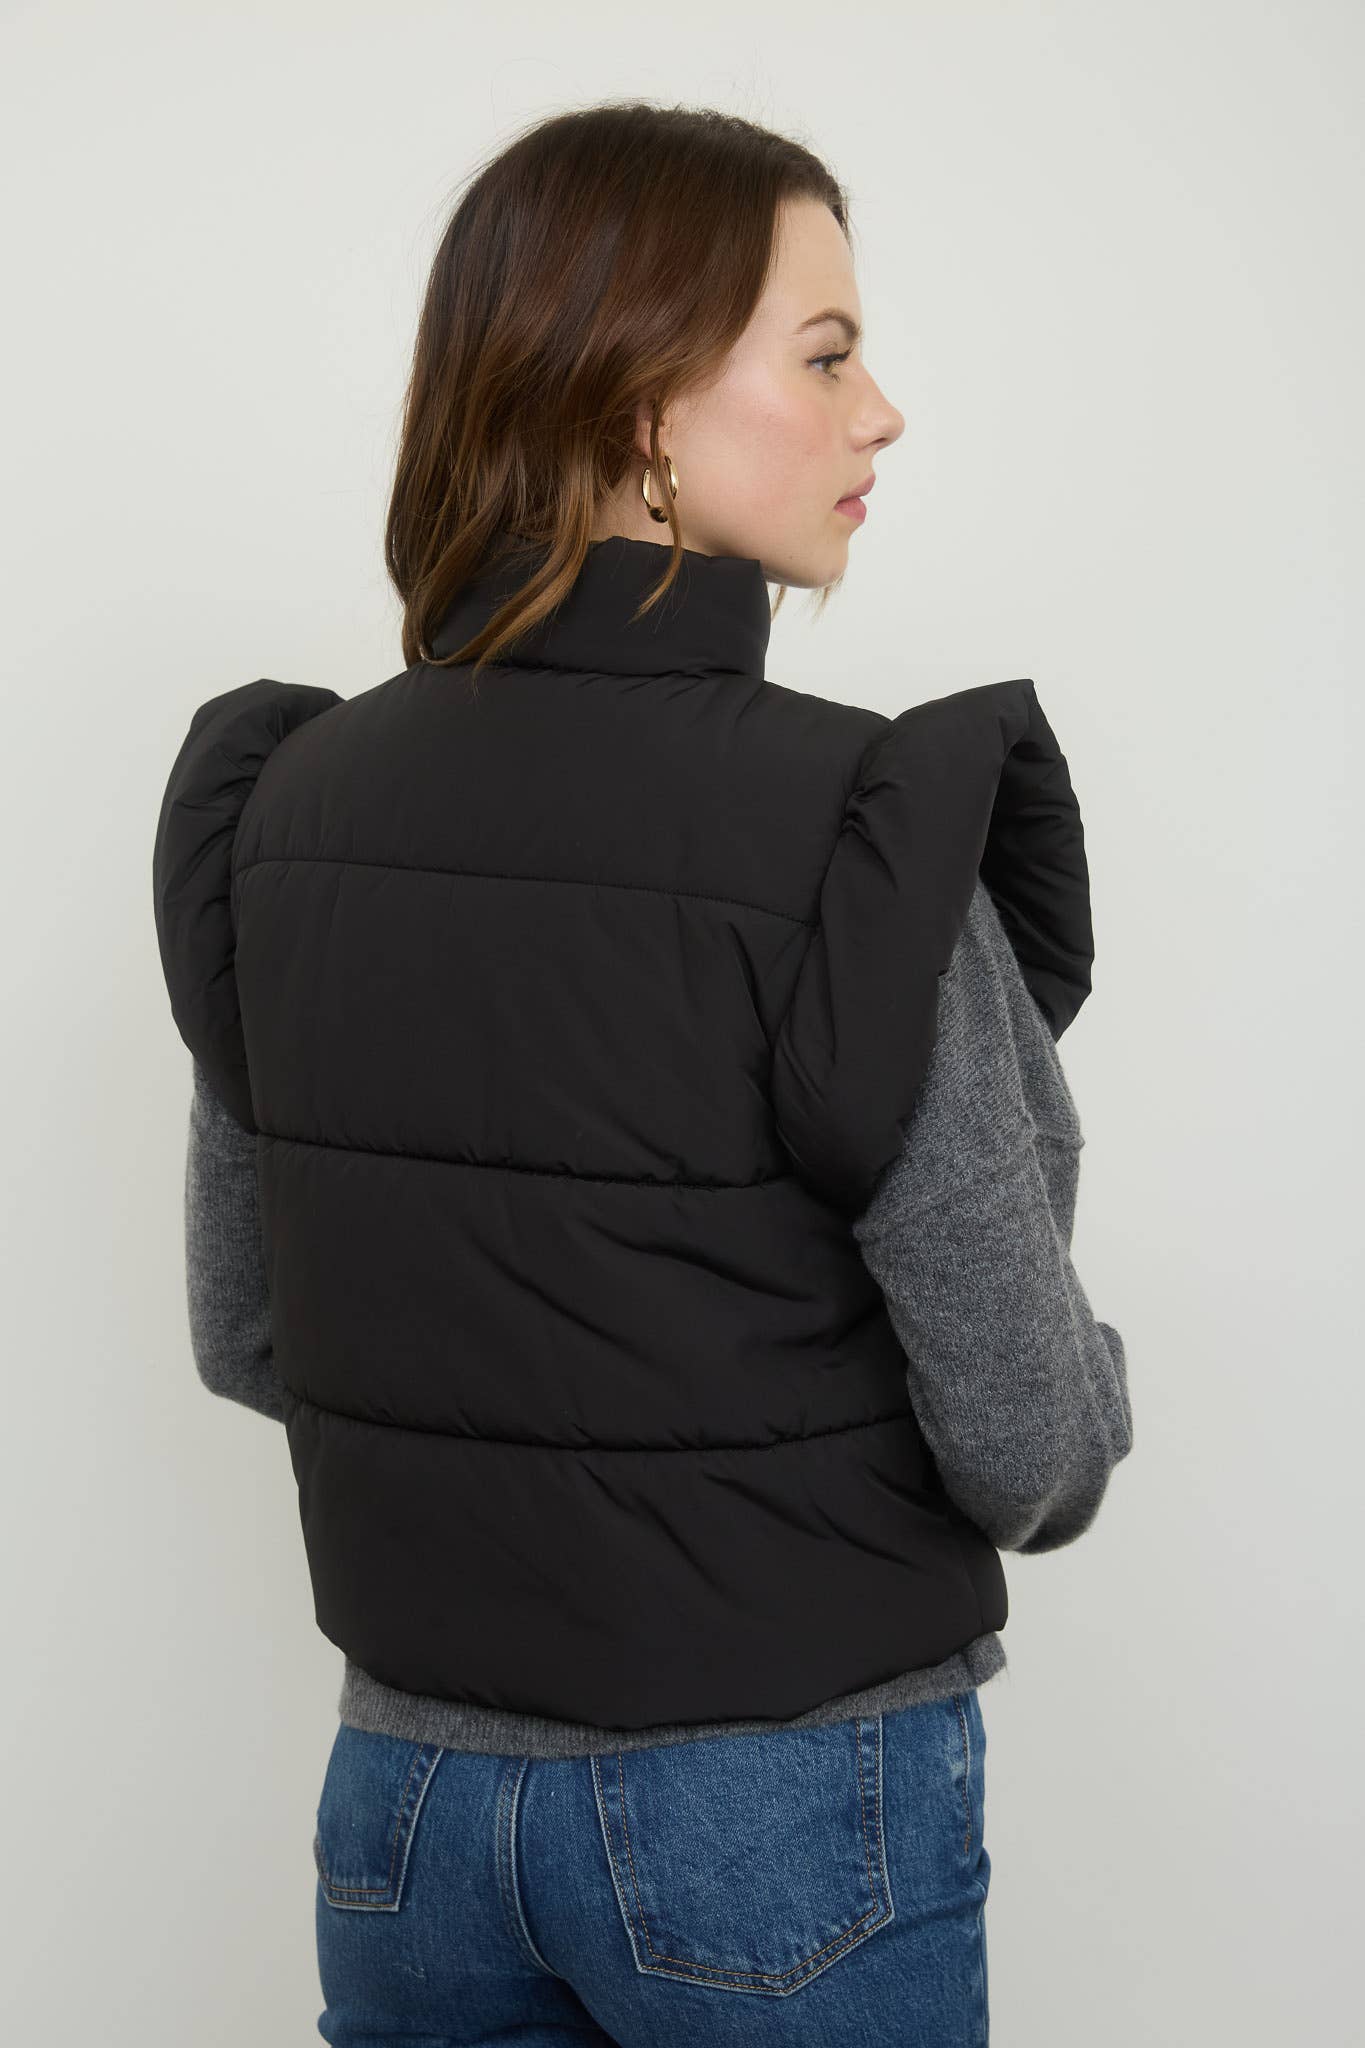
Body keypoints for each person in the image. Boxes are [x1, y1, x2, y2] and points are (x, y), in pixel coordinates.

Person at [153, 101, 1132, 2048]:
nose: (878, 416)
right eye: (825, 355)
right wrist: (1081, 1386)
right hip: (778, 1811)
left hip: (409, 1816)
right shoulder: (853, 835)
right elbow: (1026, 1441)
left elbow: (250, 1333)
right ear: (639, 409)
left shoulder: (287, 812)